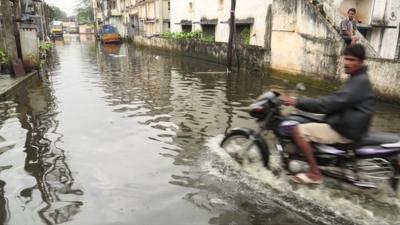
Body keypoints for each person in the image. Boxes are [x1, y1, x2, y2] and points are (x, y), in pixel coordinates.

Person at [281, 44, 375, 184]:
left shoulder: (359, 82)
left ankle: (314, 173)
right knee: (308, 119)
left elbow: (328, 104)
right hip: (347, 123)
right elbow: (336, 100)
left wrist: (297, 101)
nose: (347, 63)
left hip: (345, 130)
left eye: (352, 60)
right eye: (346, 59)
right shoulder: (358, 78)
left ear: (361, 62)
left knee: (298, 130)